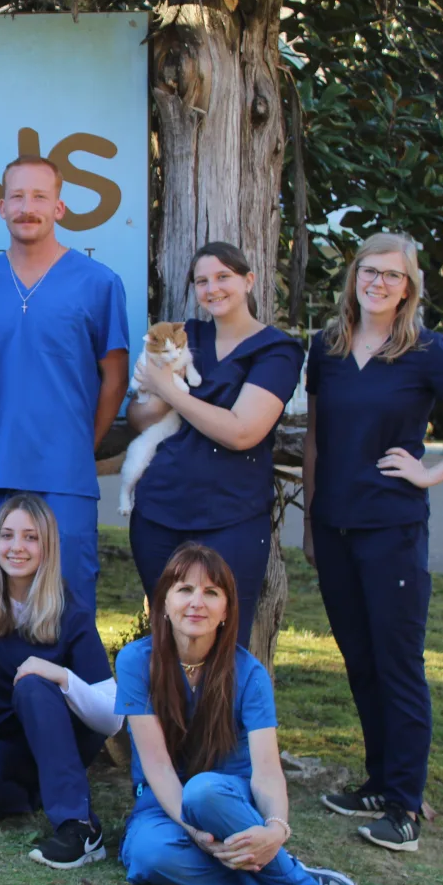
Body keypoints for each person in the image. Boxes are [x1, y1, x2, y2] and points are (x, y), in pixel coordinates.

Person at [303, 232, 443, 852]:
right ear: (354, 278)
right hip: (336, 525)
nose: (377, 283)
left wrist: (430, 471)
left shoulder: (427, 352)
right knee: (359, 658)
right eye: (368, 272)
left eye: (391, 276)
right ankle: (377, 781)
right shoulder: (328, 347)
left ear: (409, 287)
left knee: (398, 664)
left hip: (392, 529)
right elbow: (316, 439)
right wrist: (315, 518)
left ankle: (404, 805)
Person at [118, 543, 362, 885]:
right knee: (147, 857)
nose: (197, 602)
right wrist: (194, 834)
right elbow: (158, 766)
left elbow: (267, 771)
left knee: (204, 790)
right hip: (163, 806)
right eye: (184, 590)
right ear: (162, 602)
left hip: (226, 803)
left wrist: (276, 830)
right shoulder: (134, 662)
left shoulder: (249, 674)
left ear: (227, 610)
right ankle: (289, 875)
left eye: (211, 593)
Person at [0, 155, 129, 617]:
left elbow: (115, 378)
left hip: (66, 476)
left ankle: (69, 691)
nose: (28, 207)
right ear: (1, 206)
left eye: (40, 197)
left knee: (70, 606)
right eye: (18, 197)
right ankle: (2, 692)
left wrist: (80, 445)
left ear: (60, 208)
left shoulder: (99, 283)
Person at [127, 242, 304, 647]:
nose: (213, 288)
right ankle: (164, 714)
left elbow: (242, 431)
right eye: (202, 281)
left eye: (223, 277)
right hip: (158, 513)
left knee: (223, 644)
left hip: (230, 519)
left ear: (248, 281)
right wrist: (152, 392)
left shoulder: (275, 350)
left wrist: (169, 392)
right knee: (167, 639)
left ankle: (218, 714)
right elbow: (139, 418)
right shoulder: (187, 335)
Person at [0, 493, 122, 869]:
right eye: (7, 535)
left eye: (30, 537)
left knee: (34, 683)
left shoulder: (70, 609)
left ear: (47, 545)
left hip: (63, 732)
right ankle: (45, 789)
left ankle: (80, 826)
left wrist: (61, 675)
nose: (17, 547)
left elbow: (111, 718)